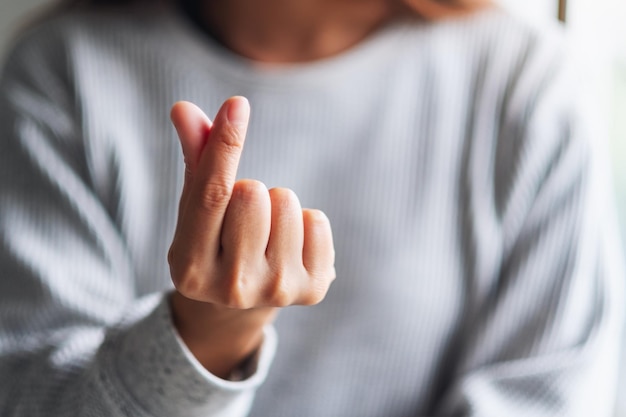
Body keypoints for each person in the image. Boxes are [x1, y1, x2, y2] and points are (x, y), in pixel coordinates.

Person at [0, 0, 623, 415]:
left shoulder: (522, 85)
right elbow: (28, 393)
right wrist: (204, 338)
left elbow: (548, 394)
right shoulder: (61, 74)